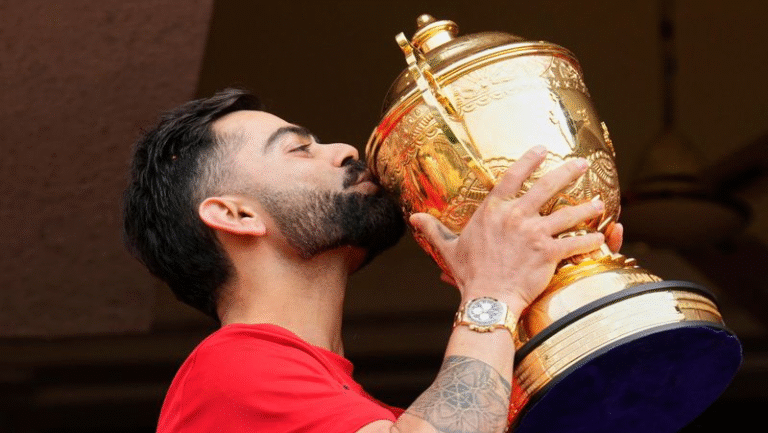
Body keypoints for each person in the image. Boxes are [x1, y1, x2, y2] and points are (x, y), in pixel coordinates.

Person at [123, 88, 622, 433]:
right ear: (235, 213)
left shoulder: (367, 412)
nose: (343, 149)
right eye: (299, 149)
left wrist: (559, 307)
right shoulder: (230, 369)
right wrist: (492, 293)